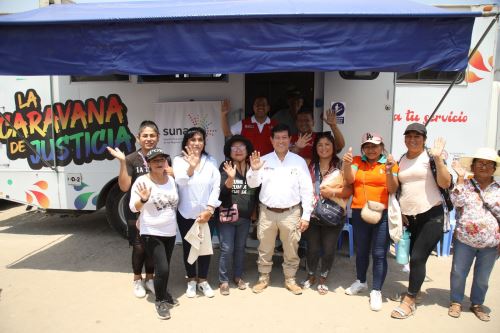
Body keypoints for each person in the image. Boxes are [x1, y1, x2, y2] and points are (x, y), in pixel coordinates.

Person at [390, 123, 452, 319]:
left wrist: (438, 158)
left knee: (417, 258)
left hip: (432, 215)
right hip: (410, 218)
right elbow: (398, 188)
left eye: (417, 136)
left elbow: (445, 182)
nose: (412, 139)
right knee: (413, 258)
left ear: (424, 139)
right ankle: (413, 290)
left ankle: (410, 300)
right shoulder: (402, 159)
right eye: (409, 136)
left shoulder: (431, 157)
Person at [246, 123, 313, 295]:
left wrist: (306, 216)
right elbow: (253, 183)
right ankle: (263, 278)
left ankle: (290, 279)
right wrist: (253, 170)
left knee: (291, 247)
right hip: (267, 212)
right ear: (271, 140)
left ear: (290, 139)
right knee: (265, 247)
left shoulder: (298, 162)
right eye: (277, 137)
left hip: (291, 212)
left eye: (284, 137)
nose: (281, 141)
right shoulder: (263, 160)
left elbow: (307, 189)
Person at [106, 120, 165, 298]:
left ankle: (150, 279)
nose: (149, 139)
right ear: (138, 138)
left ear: (158, 138)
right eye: (145, 135)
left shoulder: (163, 158)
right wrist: (123, 162)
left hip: (156, 211)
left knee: (152, 247)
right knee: (139, 247)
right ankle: (137, 279)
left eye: (152, 135)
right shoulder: (132, 158)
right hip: (135, 211)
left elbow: (168, 180)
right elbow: (124, 187)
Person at [342, 132, 399, 311]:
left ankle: (376, 290)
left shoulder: (390, 163)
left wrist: (389, 170)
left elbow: (392, 188)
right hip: (360, 211)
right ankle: (361, 281)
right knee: (362, 250)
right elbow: (349, 179)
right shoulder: (358, 161)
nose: (371, 150)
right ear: (363, 149)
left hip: (381, 213)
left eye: (375, 146)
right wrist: (346, 164)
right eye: (367, 146)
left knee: (379, 253)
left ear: (382, 147)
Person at [447, 147, 500, 321]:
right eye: (479, 163)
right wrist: (460, 178)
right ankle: (456, 301)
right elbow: (456, 201)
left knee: (483, 277)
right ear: (473, 166)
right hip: (465, 240)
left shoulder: (498, 189)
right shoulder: (465, 185)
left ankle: (477, 303)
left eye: (488, 164)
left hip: (491, 243)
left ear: (494, 168)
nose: (483, 167)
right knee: (458, 272)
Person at [129, 148, 179, 320]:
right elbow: (132, 207)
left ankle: (163, 292)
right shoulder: (142, 182)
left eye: (162, 160)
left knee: (165, 267)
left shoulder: (171, 180)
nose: (159, 163)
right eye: (155, 160)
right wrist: (143, 199)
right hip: (151, 231)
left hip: (170, 231)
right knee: (162, 268)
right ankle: (160, 301)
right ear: (148, 163)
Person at [173, 127, 221, 298]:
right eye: (192, 140)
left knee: (204, 247)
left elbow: (216, 186)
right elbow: (180, 182)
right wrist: (191, 167)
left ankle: (203, 280)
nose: (196, 143)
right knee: (189, 247)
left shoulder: (211, 160)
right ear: (186, 142)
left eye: (200, 139)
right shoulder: (179, 160)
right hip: (186, 213)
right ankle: (191, 280)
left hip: (207, 213)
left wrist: (210, 209)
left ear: (204, 142)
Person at [302, 132, 352, 295]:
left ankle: (323, 277)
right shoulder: (309, 165)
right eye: (320, 145)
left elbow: (349, 190)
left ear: (333, 147)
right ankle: (310, 276)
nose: (323, 148)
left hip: (333, 213)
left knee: (329, 249)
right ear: (315, 148)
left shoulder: (341, 166)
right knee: (312, 248)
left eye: (327, 145)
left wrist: (332, 192)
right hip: (312, 213)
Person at [217, 135, 259, 295]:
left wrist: (254, 210)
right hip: (227, 216)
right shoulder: (225, 165)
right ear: (229, 151)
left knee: (240, 248)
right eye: (234, 147)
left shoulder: (252, 166)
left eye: (242, 147)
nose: (238, 150)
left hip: (245, 216)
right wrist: (230, 178)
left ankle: (238, 276)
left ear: (248, 150)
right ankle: (224, 280)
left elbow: (257, 191)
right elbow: (221, 192)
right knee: (227, 249)